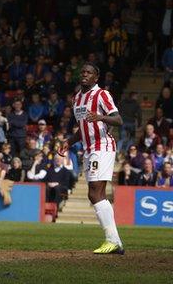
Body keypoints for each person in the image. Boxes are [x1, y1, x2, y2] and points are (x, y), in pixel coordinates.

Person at [59, 63, 124, 255]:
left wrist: (100, 117)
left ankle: (112, 241)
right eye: (83, 71)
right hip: (88, 149)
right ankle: (115, 243)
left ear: (96, 78)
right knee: (96, 194)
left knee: (95, 193)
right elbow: (83, 128)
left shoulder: (102, 94)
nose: (84, 74)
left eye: (89, 72)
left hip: (102, 146)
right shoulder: (77, 98)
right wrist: (69, 142)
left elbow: (118, 120)